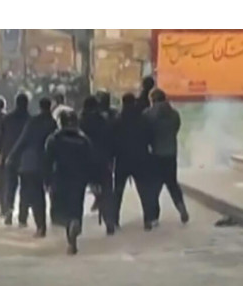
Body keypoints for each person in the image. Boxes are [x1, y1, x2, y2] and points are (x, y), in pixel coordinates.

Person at [44, 110, 98, 255]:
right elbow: (91, 161)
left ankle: (69, 226)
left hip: (60, 177)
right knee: (76, 205)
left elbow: (47, 161)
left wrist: (47, 181)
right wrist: (94, 181)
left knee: (62, 207)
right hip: (79, 178)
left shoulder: (53, 139)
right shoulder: (84, 139)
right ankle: (74, 225)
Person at [6, 97, 57, 238]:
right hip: (47, 163)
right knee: (44, 194)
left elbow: (23, 140)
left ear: (40, 107)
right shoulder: (53, 123)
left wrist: (12, 156)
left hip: (30, 163)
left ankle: (39, 226)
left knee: (33, 194)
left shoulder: (33, 121)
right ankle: (51, 220)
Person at [144, 88, 189, 225]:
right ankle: (181, 207)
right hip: (171, 153)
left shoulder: (148, 114)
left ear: (152, 100)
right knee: (172, 184)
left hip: (155, 154)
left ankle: (154, 216)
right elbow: (176, 129)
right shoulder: (174, 114)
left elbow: (147, 133)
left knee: (154, 187)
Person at [113, 93, 156, 231]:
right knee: (144, 191)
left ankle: (114, 220)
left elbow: (112, 140)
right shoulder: (143, 119)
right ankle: (148, 219)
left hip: (122, 159)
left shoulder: (117, 120)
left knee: (118, 191)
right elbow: (150, 136)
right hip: (140, 158)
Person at [79, 95, 116, 234]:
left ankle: (75, 221)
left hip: (85, 161)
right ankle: (109, 222)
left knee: (79, 192)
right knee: (107, 191)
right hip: (103, 160)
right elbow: (111, 140)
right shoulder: (103, 121)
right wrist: (111, 159)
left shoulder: (80, 121)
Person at [0, 93, 31, 227]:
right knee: (25, 187)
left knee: (10, 185)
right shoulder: (30, 120)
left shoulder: (7, 119)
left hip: (9, 156)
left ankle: (9, 210)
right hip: (25, 157)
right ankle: (22, 217)